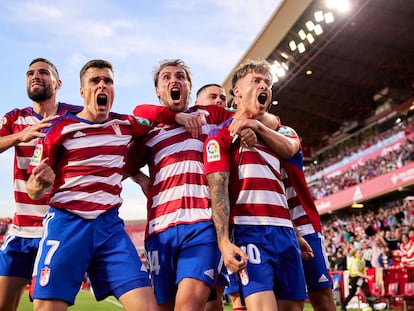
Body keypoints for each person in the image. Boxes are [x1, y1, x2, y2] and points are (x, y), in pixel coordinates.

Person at [25, 59, 186, 311]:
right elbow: (33, 189)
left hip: (109, 228)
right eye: (95, 81)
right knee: (47, 307)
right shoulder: (58, 128)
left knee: (148, 307)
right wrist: (38, 182)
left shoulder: (124, 125)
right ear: (82, 91)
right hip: (68, 224)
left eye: (108, 81)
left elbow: (148, 115)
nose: (102, 86)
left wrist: (184, 117)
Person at [203, 59, 308, 311]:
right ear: (237, 91)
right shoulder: (220, 136)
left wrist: (294, 232)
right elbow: (217, 191)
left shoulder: (275, 135)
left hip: (284, 231)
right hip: (251, 230)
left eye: (268, 83)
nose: (264, 87)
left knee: (294, 306)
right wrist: (224, 242)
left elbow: (278, 188)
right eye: (256, 81)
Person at [0, 57, 82, 311]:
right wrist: (19, 137)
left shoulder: (76, 115)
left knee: (47, 307)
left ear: (57, 83)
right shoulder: (16, 118)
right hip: (22, 228)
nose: (35, 76)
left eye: (43, 72)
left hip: (58, 228)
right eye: (30, 73)